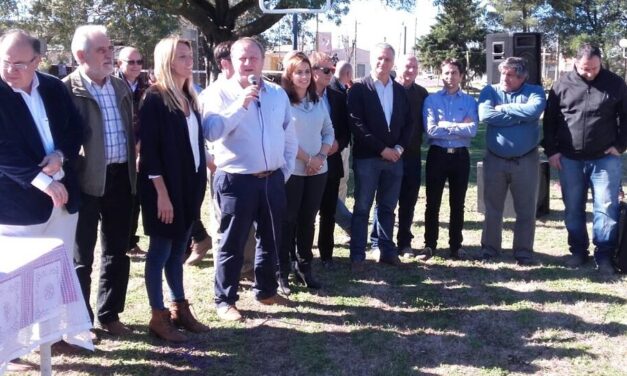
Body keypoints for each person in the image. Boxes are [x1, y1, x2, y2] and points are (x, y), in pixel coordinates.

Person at [202, 37, 298, 321]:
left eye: (253, 58)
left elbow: (288, 133)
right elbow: (211, 131)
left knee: (270, 238)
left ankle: (266, 290)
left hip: (272, 179)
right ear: (230, 61)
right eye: (241, 58)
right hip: (236, 180)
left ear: (262, 59)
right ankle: (225, 300)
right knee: (232, 242)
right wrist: (241, 105)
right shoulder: (218, 93)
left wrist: (284, 170)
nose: (248, 63)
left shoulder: (276, 93)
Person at [64, 25, 136, 336]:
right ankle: (82, 321)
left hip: (121, 178)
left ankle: (110, 314)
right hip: (85, 182)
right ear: (81, 56)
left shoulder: (120, 87)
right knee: (82, 256)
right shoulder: (66, 90)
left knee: (117, 251)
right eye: (101, 50)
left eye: (110, 48)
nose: (110, 54)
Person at [138, 36, 209, 342]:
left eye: (189, 55)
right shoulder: (154, 98)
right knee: (160, 252)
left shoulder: (189, 96)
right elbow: (150, 152)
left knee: (178, 250)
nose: (188, 61)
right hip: (163, 189)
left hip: (188, 187)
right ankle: (158, 316)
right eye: (182, 56)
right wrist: (162, 194)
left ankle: (179, 307)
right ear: (167, 61)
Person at [542, 44, 627, 275]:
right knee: (573, 208)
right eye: (585, 68)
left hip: (604, 159)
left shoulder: (615, 83)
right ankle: (578, 251)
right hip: (570, 158)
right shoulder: (561, 85)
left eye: (595, 68)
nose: (590, 72)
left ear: (601, 62)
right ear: (575, 64)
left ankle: (605, 256)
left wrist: (620, 145)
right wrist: (552, 151)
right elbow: (549, 121)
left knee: (607, 207)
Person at [0, 29, 82, 257]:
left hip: (64, 203)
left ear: (36, 60)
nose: (10, 70)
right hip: (17, 209)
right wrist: (42, 181)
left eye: (19, 64)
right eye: (5, 61)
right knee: (19, 285)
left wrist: (61, 155)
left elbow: (75, 129)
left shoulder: (53, 87)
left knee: (60, 276)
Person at [347, 43, 413, 271]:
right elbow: (357, 124)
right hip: (368, 159)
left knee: (387, 207)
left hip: (395, 159)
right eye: (379, 58)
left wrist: (399, 149)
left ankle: (386, 249)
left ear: (392, 63)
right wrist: (381, 149)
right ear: (372, 59)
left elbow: (409, 125)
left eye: (387, 59)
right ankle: (357, 255)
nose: (382, 63)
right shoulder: (358, 89)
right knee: (362, 207)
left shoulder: (400, 91)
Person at [194, 40, 255, 276]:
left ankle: (247, 267)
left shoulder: (254, 90)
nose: (246, 64)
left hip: (248, 171)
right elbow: (204, 132)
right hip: (222, 168)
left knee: (247, 225)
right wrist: (209, 159)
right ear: (225, 63)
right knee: (225, 225)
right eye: (239, 59)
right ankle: (228, 273)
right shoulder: (212, 94)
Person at [478, 57, 546, 265]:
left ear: (522, 77)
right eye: (503, 73)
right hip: (495, 159)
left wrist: (503, 108)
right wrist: (521, 116)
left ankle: (523, 252)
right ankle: (490, 250)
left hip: (526, 160)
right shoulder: (490, 90)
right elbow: (485, 115)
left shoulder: (535, 91)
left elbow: (534, 111)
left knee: (526, 209)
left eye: (510, 75)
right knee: (492, 208)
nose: (505, 78)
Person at [276, 51, 334, 294]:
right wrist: (308, 159)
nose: (304, 76)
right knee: (288, 221)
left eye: (307, 71)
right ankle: (282, 273)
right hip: (294, 172)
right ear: (289, 75)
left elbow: (328, 131)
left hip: (318, 171)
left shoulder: (318, 101)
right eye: (298, 72)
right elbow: (284, 137)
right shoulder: (283, 103)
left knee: (308, 221)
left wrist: (320, 157)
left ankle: (304, 268)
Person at [371, 54, 429, 258]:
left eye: (414, 66)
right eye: (407, 66)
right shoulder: (389, 89)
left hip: (412, 155)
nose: (411, 70)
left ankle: (404, 242)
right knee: (385, 201)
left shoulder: (422, 93)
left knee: (409, 200)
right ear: (399, 67)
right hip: (389, 155)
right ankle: (378, 241)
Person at [420, 58, 478, 260]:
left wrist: (446, 124)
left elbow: (472, 130)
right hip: (437, 155)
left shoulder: (470, 101)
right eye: (446, 73)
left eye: (454, 73)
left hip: (460, 157)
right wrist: (458, 127)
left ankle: (456, 246)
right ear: (441, 74)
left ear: (461, 75)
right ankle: (429, 245)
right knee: (432, 202)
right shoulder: (431, 100)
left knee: (458, 203)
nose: (450, 77)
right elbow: (431, 130)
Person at [310, 52, 350, 269]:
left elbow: (345, 131)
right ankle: (303, 256)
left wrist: (338, 144)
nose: (331, 74)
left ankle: (326, 255)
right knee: (305, 214)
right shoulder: (299, 96)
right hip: (304, 165)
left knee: (328, 211)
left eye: (333, 70)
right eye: (326, 70)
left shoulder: (337, 96)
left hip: (331, 162)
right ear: (313, 70)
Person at [115, 46, 150, 255]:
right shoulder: (112, 86)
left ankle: (130, 241)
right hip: (120, 150)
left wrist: (141, 146)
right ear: (120, 63)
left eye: (139, 61)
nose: (136, 66)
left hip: (142, 147)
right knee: (125, 198)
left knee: (137, 197)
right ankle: (124, 242)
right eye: (131, 62)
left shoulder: (146, 86)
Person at [332, 60, 353, 234]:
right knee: (338, 184)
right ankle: (349, 225)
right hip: (336, 148)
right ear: (348, 74)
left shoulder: (342, 90)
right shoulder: (337, 91)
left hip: (337, 145)